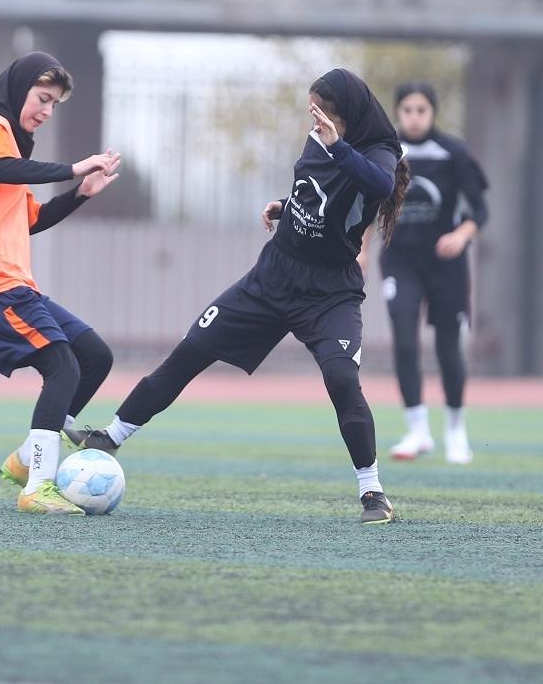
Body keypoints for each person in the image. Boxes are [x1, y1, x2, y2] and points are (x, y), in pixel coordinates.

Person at [70, 68, 411, 524]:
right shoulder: (320, 139)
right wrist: (287, 206)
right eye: (313, 115)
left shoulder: (378, 151)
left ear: (348, 115)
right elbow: (319, 194)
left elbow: (379, 186)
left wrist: (336, 145)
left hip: (329, 292)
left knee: (342, 380)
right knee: (192, 348)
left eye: (325, 116)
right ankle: (112, 435)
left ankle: (373, 493)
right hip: (273, 277)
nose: (317, 124)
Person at [0, 51, 122, 514]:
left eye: (54, 104)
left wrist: (79, 194)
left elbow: (33, 220)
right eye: (43, 98)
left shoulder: (10, 151)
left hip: (15, 284)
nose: (47, 111)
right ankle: (37, 488)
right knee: (62, 366)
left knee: (94, 356)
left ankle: (29, 458)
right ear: (18, 88)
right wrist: (73, 168)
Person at [381, 82, 489, 465]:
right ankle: (417, 430)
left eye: (421, 110)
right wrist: (359, 250)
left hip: (446, 266)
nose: (414, 117)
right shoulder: (384, 152)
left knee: (448, 347)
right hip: (400, 262)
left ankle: (456, 429)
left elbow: (480, 210)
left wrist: (461, 235)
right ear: (398, 112)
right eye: (407, 110)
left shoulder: (453, 153)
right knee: (404, 340)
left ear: (433, 112)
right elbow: (364, 203)